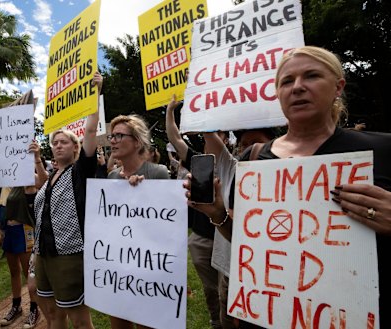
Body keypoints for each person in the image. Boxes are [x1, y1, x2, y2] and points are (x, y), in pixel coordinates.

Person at [185, 46, 391, 329]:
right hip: (265, 315)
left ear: (338, 87)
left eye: (311, 76)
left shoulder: (381, 150)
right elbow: (248, 240)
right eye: (286, 81)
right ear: (277, 94)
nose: (298, 87)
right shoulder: (253, 157)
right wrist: (218, 213)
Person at [27, 71, 102, 329]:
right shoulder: (51, 177)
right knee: (52, 313)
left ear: (75, 148)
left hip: (69, 255)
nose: (58, 146)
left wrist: (96, 93)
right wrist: (36, 157)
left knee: (79, 319)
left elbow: (91, 129)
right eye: (55, 142)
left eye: (64, 142)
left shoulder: (79, 172)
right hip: (43, 255)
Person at [106, 114, 169, 329]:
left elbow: (168, 226)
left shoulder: (158, 173)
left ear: (137, 141)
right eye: (111, 136)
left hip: (147, 269)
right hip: (118, 266)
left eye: (119, 135)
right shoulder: (113, 177)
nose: (112, 140)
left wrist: (143, 195)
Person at [166, 97, 223, 329]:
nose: (212, 137)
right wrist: (171, 110)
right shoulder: (198, 161)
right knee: (211, 289)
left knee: (226, 289)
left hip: (228, 238)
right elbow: (175, 138)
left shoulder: (238, 163)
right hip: (201, 238)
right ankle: (216, 320)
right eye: (209, 133)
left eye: (217, 133)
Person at [0, 140, 48, 328]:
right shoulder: (5, 182)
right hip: (10, 231)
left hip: (25, 230)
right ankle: (16, 305)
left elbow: (44, 183)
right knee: (13, 272)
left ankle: (34, 309)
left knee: (28, 273)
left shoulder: (28, 179)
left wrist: (35, 158)